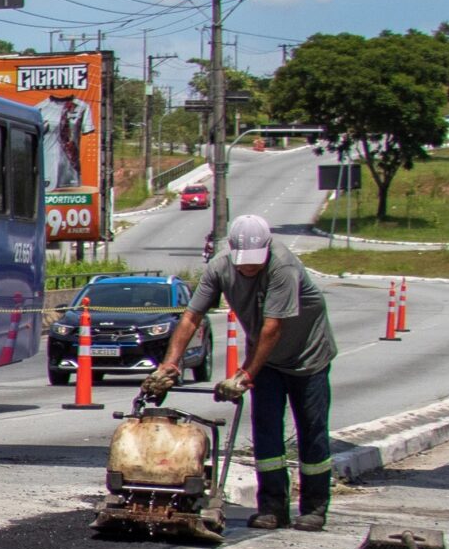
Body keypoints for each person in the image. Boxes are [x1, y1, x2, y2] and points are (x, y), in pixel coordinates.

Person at [142, 213, 337, 531]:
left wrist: (245, 375)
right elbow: (191, 317)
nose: (249, 268)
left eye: (255, 261)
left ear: (268, 248)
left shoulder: (282, 267)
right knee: (266, 432)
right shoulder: (219, 267)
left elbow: (272, 329)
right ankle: (273, 507)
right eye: (243, 261)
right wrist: (170, 364)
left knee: (312, 431)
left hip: (308, 357)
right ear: (231, 251)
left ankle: (315, 507)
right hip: (270, 362)